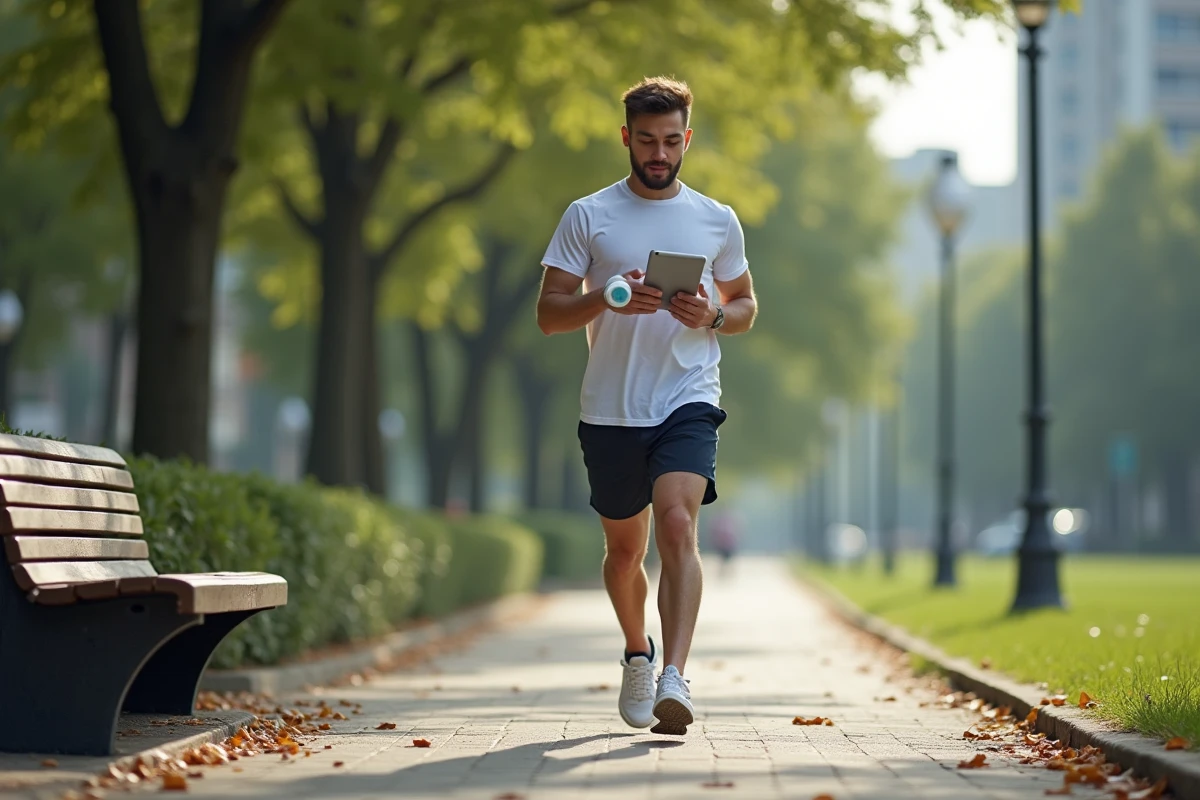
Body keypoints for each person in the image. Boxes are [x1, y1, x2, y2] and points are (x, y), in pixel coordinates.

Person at [535, 76, 757, 735]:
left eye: (670, 141)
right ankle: (639, 649)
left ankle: (676, 676)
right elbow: (548, 314)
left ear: (686, 139)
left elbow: (746, 305)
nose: (658, 153)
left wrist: (713, 314)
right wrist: (604, 296)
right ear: (625, 138)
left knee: (680, 525)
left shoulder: (717, 219)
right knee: (625, 553)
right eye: (645, 141)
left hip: (687, 397)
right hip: (610, 409)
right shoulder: (588, 215)